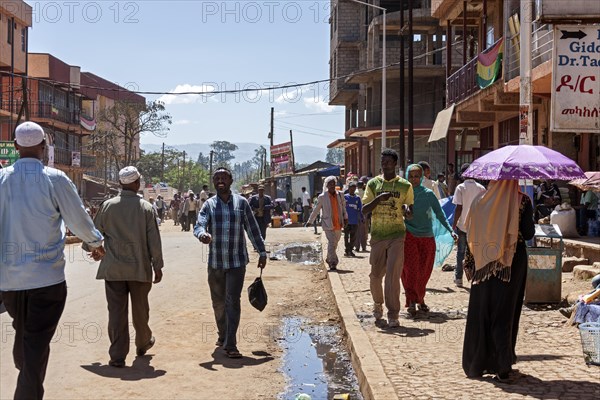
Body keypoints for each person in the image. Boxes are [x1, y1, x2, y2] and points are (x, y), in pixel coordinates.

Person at [0, 121, 105, 399]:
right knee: (35, 341)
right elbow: (78, 218)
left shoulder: (1, 179)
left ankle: (25, 366)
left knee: (28, 335)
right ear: (44, 148)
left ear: (15, 147)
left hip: (9, 282)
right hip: (47, 280)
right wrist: (95, 243)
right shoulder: (55, 179)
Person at [84, 166, 164, 368]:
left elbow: (93, 233)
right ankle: (143, 342)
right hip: (139, 269)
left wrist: (95, 248)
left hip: (113, 269)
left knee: (116, 313)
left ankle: (117, 355)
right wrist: (158, 266)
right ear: (137, 184)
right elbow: (154, 240)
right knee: (140, 311)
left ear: (120, 184)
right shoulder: (146, 208)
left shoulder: (108, 206)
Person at [462, 180, 535, 382]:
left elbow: (470, 232)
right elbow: (529, 233)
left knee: (482, 309)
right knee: (505, 311)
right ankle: (502, 366)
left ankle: (477, 363)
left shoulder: (479, 200)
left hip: (482, 262)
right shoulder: (522, 201)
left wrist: (470, 261)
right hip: (511, 262)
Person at [194, 167, 267, 358]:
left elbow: (252, 229)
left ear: (230, 180)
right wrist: (202, 235)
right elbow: (199, 225)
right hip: (216, 263)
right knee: (218, 303)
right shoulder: (208, 205)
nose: (220, 181)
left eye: (223, 178)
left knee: (232, 301)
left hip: (237, 262)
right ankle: (223, 334)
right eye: (217, 178)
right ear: (213, 182)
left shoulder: (242, 203)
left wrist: (262, 251)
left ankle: (231, 343)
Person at [362, 149, 414, 328]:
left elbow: (410, 212)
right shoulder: (373, 184)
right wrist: (378, 199)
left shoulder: (405, 186)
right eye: (382, 162)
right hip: (377, 236)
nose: (385, 165)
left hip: (397, 236)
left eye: (388, 162)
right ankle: (378, 304)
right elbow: (364, 210)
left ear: (395, 164)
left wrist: (408, 212)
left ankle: (393, 314)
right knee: (376, 276)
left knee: (393, 276)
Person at [401, 165, 455, 317]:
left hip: (427, 237)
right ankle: (412, 301)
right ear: (407, 177)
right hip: (409, 235)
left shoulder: (429, 194)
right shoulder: (403, 194)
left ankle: (420, 298)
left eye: (417, 176)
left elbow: (440, 213)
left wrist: (450, 230)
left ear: (422, 177)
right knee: (410, 270)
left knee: (424, 271)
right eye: (411, 176)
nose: (414, 179)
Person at [452, 163, 486, 287]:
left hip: (462, 225)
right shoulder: (481, 188)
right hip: (476, 226)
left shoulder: (460, 188)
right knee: (475, 252)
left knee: (461, 252)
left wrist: (454, 224)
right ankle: (475, 277)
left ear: (462, 174)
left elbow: (458, 208)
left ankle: (459, 278)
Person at [306, 176, 348, 271]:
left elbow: (344, 208)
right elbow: (316, 210)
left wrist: (345, 218)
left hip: (338, 223)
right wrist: (310, 221)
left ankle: (329, 258)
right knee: (331, 242)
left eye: (334, 183)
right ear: (327, 185)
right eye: (330, 184)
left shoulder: (340, 195)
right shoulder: (322, 197)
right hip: (328, 223)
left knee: (335, 243)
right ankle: (333, 262)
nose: (332, 185)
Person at [344, 181, 362, 257]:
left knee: (353, 237)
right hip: (347, 220)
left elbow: (360, 209)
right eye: (351, 188)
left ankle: (350, 250)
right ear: (349, 188)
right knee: (346, 236)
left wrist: (361, 218)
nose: (353, 190)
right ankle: (347, 250)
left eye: (354, 188)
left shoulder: (357, 198)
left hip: (354, 221)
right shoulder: (345, 197)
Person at [355, 177, 370, 253]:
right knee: (364, 230)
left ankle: (357, 246)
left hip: (356, 213)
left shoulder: (354, 193)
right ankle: (363, 247)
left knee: (356, 230)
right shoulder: (365, 193)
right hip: (364, 212)